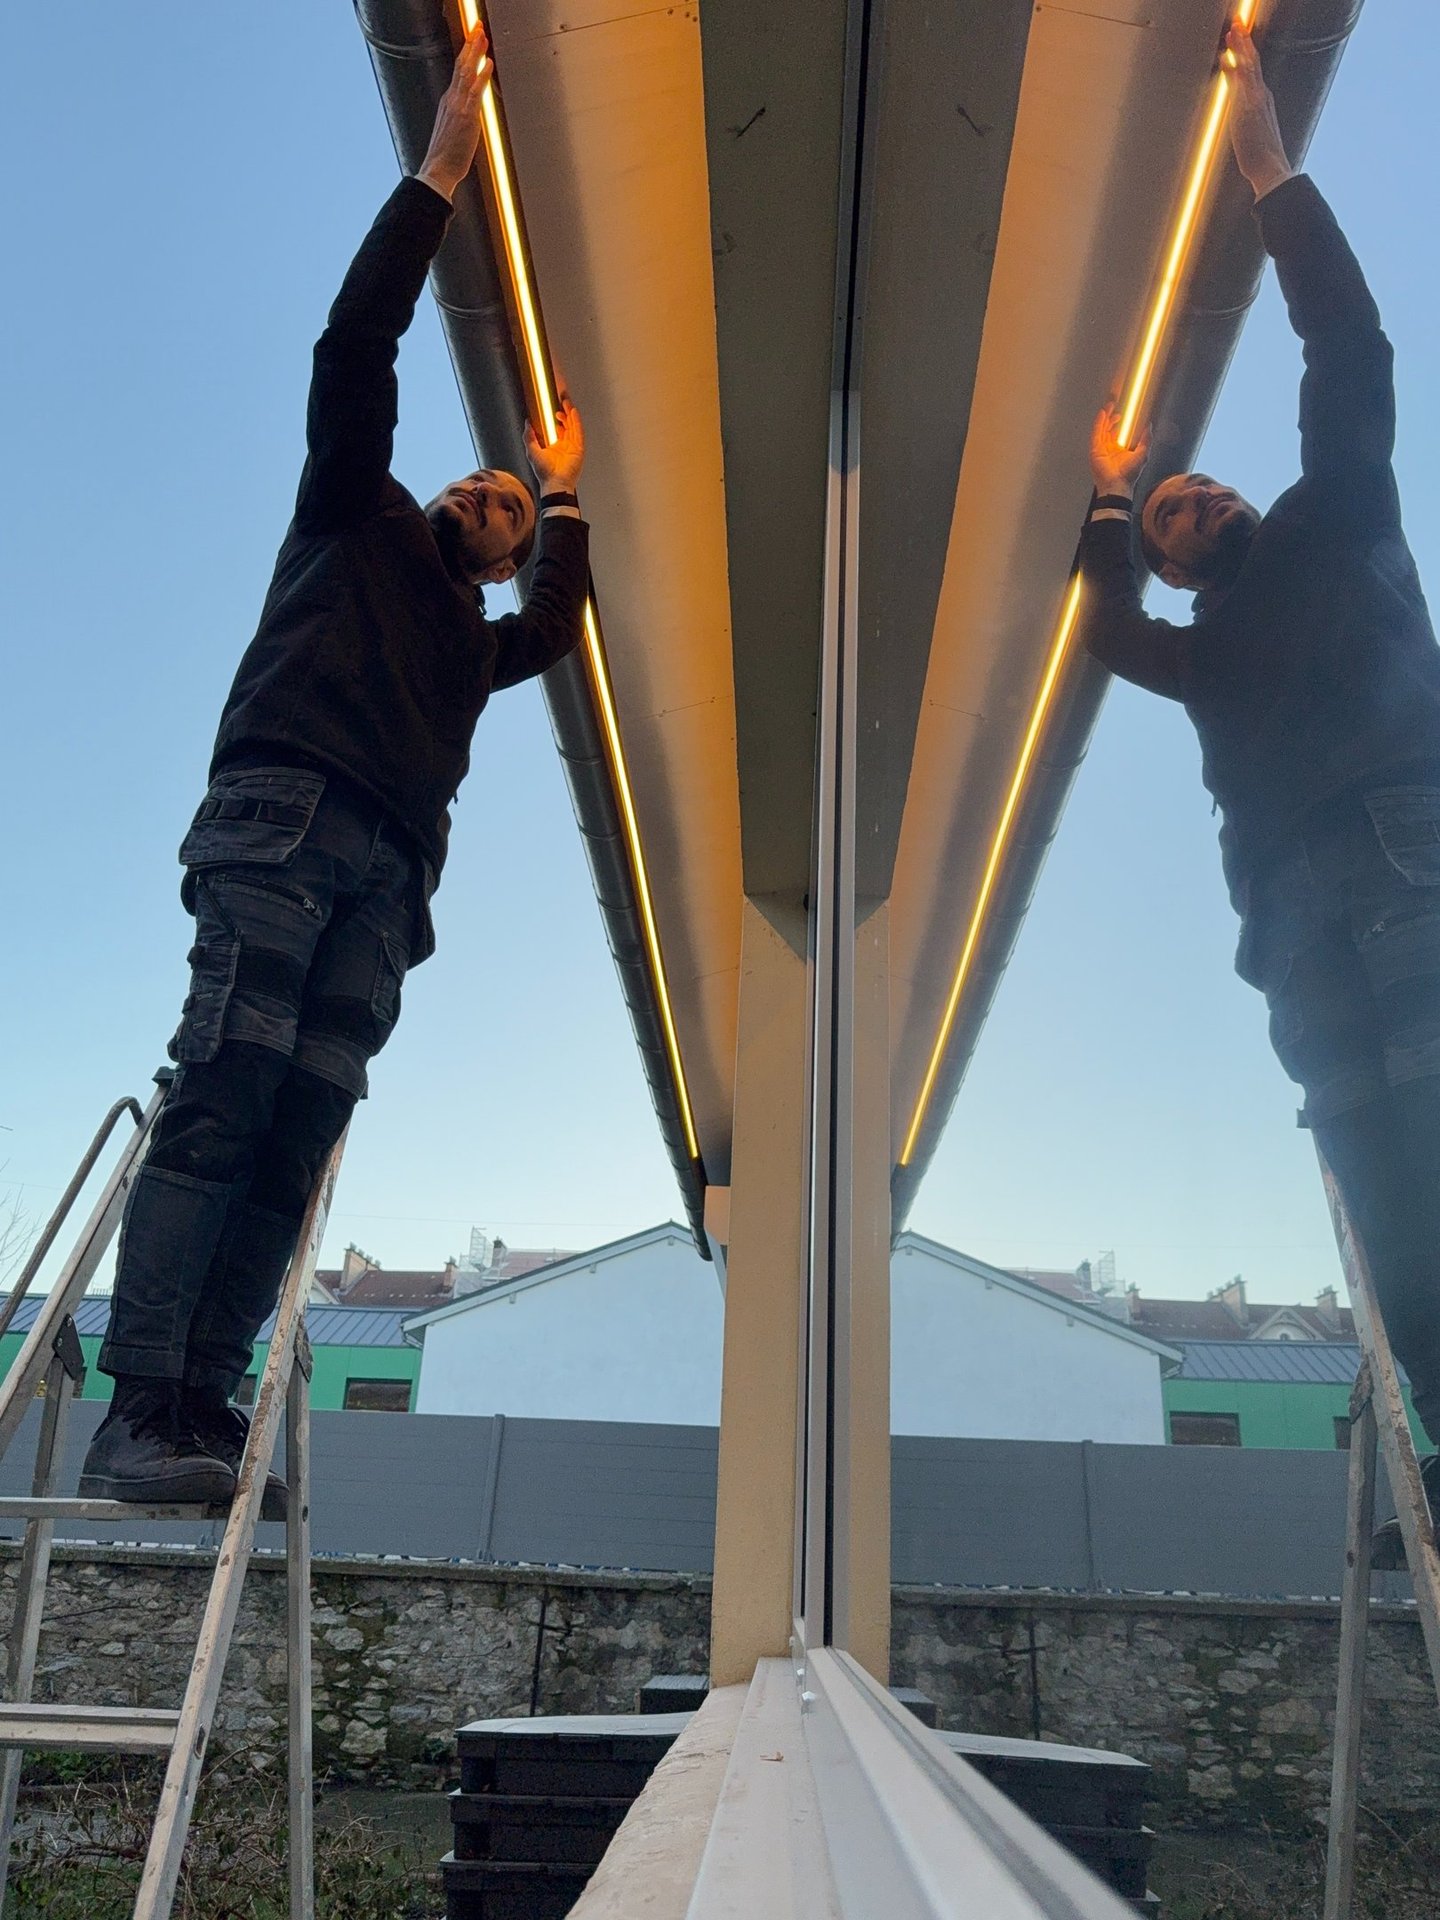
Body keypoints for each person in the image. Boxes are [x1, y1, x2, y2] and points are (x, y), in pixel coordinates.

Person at [81, 22, 588, 1507]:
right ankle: (138, 1411)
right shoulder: (352, 513)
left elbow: (555, 629)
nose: (486, 497)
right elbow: (352, 344)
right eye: (484, 482)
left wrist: (568, 497)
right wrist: (437, 175)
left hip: (387, 873)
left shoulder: (476, 645)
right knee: (227, 1088)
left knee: (299, 1129)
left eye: (504, 503)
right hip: (287, 818)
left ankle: (199, 1414)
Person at [1085, 24, 1440, 1554]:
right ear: (1167, 558)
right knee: (1378, 1184)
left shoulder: (1332, 514)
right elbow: (1104, 636)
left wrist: (1270, 174)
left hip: (1405, 841)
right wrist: (1104, 495)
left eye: (1201, 485)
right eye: (1174, 512)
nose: (1202, 501)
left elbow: (1347, 350)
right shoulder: (1199, 662)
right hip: (1291, 913)